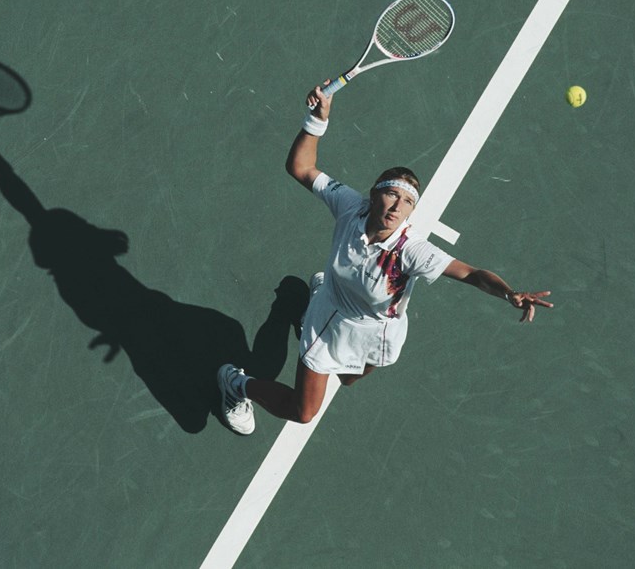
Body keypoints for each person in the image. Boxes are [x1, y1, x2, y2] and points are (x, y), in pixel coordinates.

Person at [217, 83, 553, 435]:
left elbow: (471, 274)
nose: (396, 207)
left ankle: (317, 294)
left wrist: (508, 293)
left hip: (379, 331)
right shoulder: (350, 207)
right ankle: (236, 384)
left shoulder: (410, 250)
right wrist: (318, 119)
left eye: (406, 202)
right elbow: (300, 166)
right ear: (374, 195)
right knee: (303, 412)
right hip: (331, 320)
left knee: (347, 379)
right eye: (391, 195)